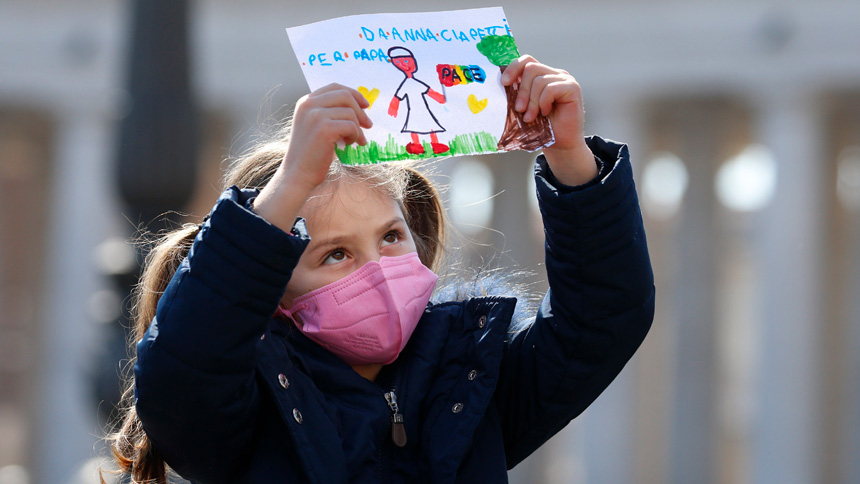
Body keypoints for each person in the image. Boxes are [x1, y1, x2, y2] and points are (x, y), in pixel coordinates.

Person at [108, 55, 655, 483]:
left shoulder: (471, 381)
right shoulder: (245, 415)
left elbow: (600, 320)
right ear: (271, 291)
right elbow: (187, 372)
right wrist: (290, 184)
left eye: (391, 237)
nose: (376, 271)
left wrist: (572, 161)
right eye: (336, 254)